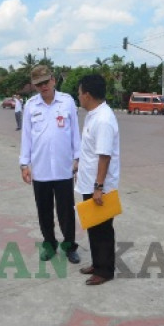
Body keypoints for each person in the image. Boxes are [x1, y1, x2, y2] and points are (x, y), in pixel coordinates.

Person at [19, 65, 81, 264]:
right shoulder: (31, 105)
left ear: (53, 80)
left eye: (46, 82)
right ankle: (49, 244)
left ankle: (70, 246)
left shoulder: (67, 101)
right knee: (44, 211)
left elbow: (75, 132)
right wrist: (24, 164)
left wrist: (77, 159)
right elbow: (26, 137)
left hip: (64, 168)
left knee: (66, 211)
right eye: (38, 84)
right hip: (41, 169)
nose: (43, 87)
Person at [74, 74, 119, 286]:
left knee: (102, 230)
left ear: (88, 95)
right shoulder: (93, 114)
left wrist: (99, 187)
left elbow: (104, 155)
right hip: (89, 182)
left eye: (80, 93)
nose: (79, 97)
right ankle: (97, 263)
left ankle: (105, 270)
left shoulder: (103, 119)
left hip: (99, 186)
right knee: (93, 226)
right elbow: (91, 150)